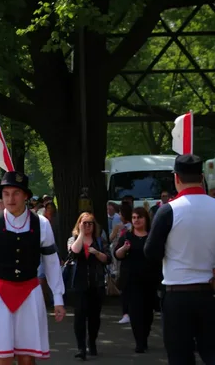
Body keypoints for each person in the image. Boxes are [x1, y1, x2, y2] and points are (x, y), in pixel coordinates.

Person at [0, 171, 65, 365]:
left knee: (27, 356)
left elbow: (51, 262)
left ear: (26, 196)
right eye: (6, 193)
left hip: (30, 292)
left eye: (16, 193)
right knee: (3, 355)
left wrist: (58, 298)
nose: (10, 198)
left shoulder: (42, 224)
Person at [145, 154, 215, 364]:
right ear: (202, 177)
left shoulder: (168, 211)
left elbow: (151, 252)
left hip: (178, 295)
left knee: (180, 358)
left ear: (176, 178)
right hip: (209, 293)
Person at [114, 207, 161, 354]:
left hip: (149, 279)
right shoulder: (127, 236)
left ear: (146, 219)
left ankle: (145, 337)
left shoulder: (152, 236)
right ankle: (139, 342)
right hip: (131, 280)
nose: (136, 220)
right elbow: (117, 254)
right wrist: (123, 249)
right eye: (134, 218)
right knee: (135, 312)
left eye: (139, 217)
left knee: (147, 313)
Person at [66, 212, 110, 359]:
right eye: (84, 223)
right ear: (79, 224)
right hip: (79, 284)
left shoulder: (99, 240)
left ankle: (92, 342)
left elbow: (107, 259)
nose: (87, 226)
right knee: (79, 316)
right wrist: (81, 235)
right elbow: (74, 252)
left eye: (90, 223)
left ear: (94, 225)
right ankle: (81, 347)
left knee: (94, 317)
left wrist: (96, 252)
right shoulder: (72, 239)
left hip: (96, 284)